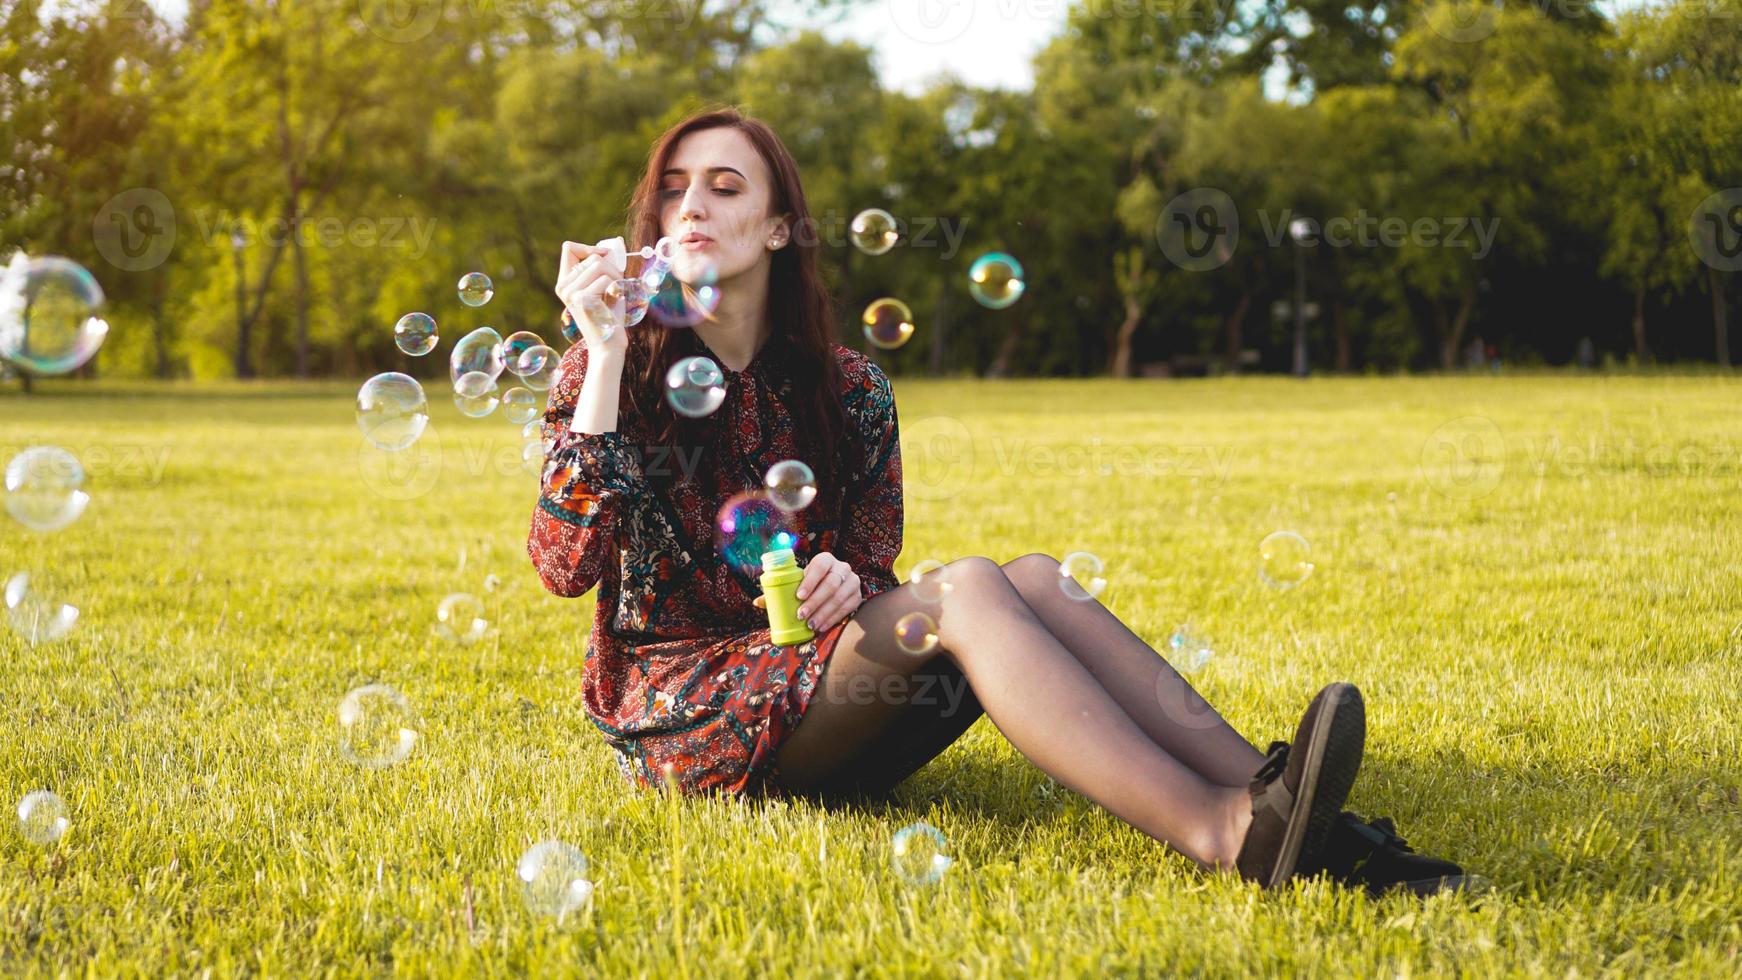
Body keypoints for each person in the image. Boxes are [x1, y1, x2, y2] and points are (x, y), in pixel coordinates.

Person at [528, 106, 1464, 896]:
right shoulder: (611, 372)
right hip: (686, 711)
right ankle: (1225, 834)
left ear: (780, 229)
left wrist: (846, 584)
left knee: (1041, 582)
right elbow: (563, 566)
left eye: (726, 186)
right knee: (974, 586)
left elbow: (870, 560)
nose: (692, 204)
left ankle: (1293, 812)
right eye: (674, 188)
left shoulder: (848, 388)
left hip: (819, 687)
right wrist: (605, 351)